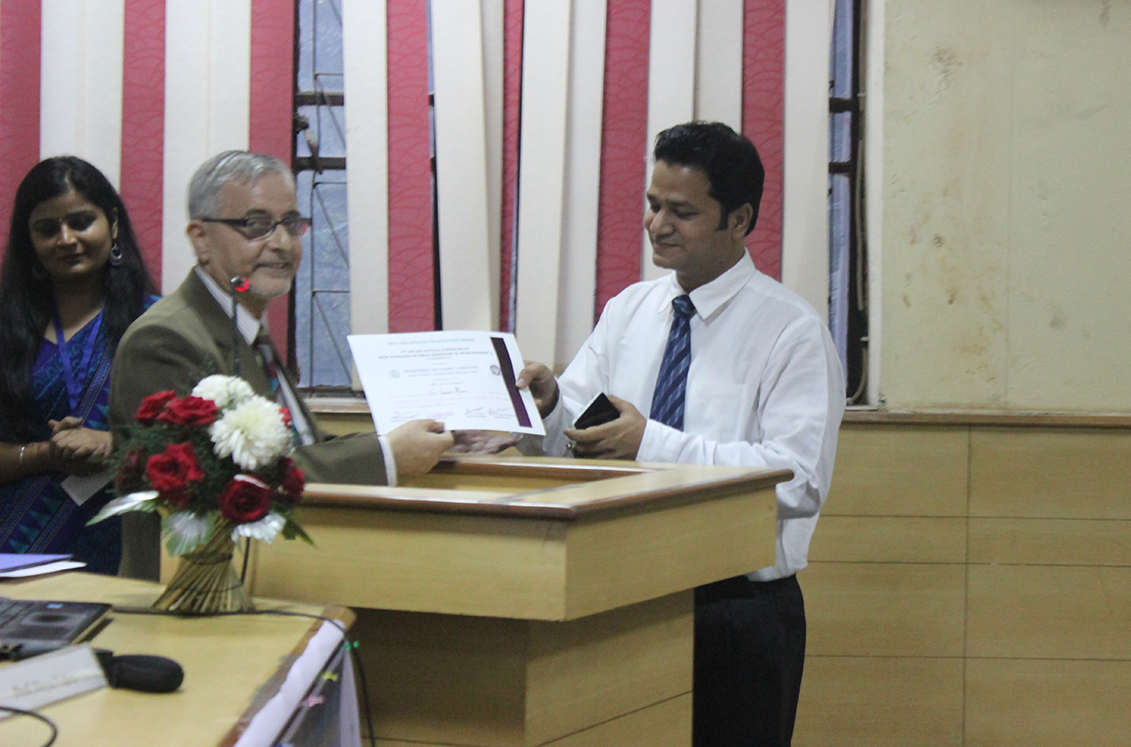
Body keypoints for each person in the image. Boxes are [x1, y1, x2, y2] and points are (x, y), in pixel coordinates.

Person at [517, 122, 844, 747]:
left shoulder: (791, 331)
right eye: (652, 204)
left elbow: (799, 481)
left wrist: (651, 444)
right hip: (623, 597)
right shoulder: (629, 310)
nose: (657, 224)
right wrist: (552, 405)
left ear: (739, 220)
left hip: (736, 612)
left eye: (682, 212)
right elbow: (578, 438)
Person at [110, 150, 453, 580]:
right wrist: (387, 454)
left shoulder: (246, 328)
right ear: (201, 238)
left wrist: (425, 438)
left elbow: (301, 448)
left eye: (291, 223)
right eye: (255, 225)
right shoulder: (165, 339)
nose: (282, 243)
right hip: (190, 588)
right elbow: (229, 482)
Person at [0, 156, 159, 574]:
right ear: (29, 240)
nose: (66, 239)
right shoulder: (6, 332)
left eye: (81, 222)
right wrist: (46, 455)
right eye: (47, 229)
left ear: (114, 224)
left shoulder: (156, 327)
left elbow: (190, 446)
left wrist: (111, 444)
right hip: (15, 551)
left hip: (127, 548)